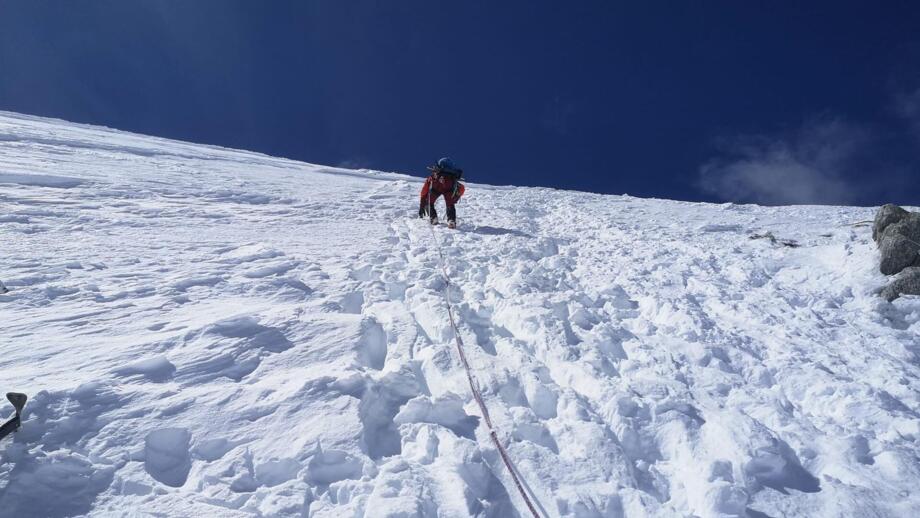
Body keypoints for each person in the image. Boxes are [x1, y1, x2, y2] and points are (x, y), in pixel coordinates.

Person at [418, 157, 465, 228]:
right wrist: (454, 199)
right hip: (449, 185)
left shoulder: (433, 176)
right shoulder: (452, 175)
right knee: (450, 204)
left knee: (429, 202)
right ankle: (451, 220)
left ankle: (433, 217)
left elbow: (424, 191)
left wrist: (422, 205)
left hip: (436, 186)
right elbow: (460, 190)